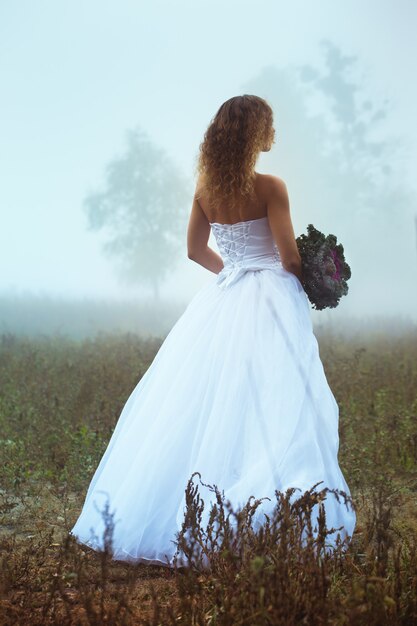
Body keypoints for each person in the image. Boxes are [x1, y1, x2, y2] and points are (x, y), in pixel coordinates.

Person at [70, 94, 356, 567]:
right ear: (252, 134)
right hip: (272, 300)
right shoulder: (271, 187)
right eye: (268, 124)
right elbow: (288, 257)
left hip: (226, 296)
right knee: (275, 395)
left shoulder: (206, 188)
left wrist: (234, 270)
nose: (274, 133)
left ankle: (190, 510)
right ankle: (268, 509)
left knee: (206, 397)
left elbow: (193, 250)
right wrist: (318, 276)